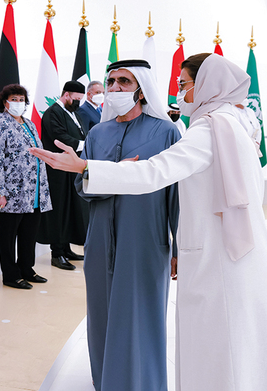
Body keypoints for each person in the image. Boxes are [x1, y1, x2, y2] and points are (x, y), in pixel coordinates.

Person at [32, 53, 267, 391]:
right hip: (119, 240)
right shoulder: (232, 124)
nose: (179, 92)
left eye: (183, 84)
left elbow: (158, 176)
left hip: (166, 243)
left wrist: (85, 167)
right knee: (229, 347)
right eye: (110, 82)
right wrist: (92, 172)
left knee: (209, 342)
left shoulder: (197, 129)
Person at [73, 59, 180, 390]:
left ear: (142, 90)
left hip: (145, 239)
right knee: (102, 314)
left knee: (141, 314)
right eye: (111, 82)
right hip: (100, 240)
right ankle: (106, 380)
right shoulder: (97, 133)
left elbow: (177, 194)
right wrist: (112, 173)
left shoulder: (166, 132)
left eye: (124, 81)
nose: (115, 88)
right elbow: (82, 187)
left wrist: (179, 245)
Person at [0, 84, 52, 290]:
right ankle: (10, 275)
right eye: (14, 99)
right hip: (10, 192)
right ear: (5, 102)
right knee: (8, 235)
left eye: (21, 100)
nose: (18, 103)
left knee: (29, 233)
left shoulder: (29, 123)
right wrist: (0, 192)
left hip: (33, 191)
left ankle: (26, 269)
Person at [39, 80, 87, 270]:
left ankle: (66, 248)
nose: (78, 103)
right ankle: (56, 253)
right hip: (56, 170)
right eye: (76, 99)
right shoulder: (53, 113)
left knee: (70, 209)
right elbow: (59, 137)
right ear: (66, 95)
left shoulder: (73, 112)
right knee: (58, 210)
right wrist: (84, 144)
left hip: (70, 168)